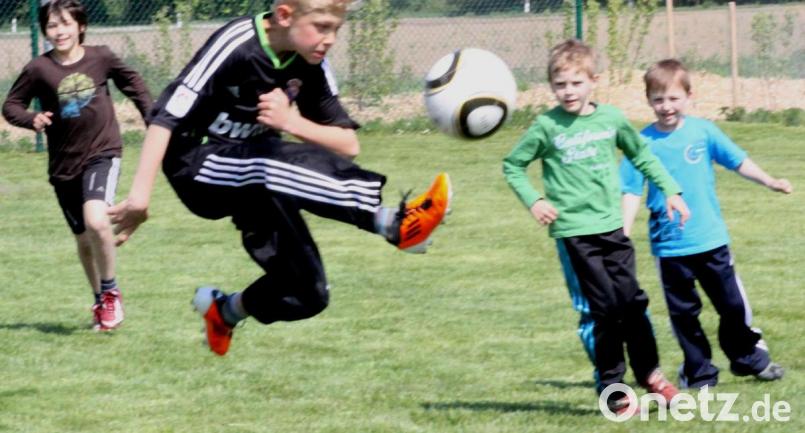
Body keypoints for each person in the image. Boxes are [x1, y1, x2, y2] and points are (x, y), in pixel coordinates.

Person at [108, 0, 451, 356]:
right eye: (321, 26)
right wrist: (139, 198)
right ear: (285, 15)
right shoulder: (237, 44)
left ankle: (224, 312)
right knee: (270, 158)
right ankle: (394, 223)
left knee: (308, 292)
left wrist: (291, 123)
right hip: (197, 166)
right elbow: (165, 117)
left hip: (257, 178)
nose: (329, 39)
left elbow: (348, 145)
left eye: (336, 29)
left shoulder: (311, 62)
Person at [502, 39, 690, 413]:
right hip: (575, 234)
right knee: (604, 310)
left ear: (593, 81)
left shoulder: (612, 119)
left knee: (633, 303)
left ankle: (651, 376)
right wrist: (535, 200)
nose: (568, 91)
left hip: (612, 229)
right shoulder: (546, 126)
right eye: (560, 84)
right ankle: (613, 390)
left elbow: (641, 155)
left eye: (575, 83)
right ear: (551, 86)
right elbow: (512, 165)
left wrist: (670, 189)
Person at [620, 59, 791, 389]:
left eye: (672, 98)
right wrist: (623, 233)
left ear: (688, 96)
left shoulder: (703, 132)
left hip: (710, 240)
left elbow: (737, 160)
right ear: (648, 100)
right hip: (670, 247)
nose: (666, 107)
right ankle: (698, 373)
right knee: (684, 316)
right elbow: (629, 190)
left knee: (732, 305)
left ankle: (749, 358)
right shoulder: (641, 143)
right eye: (658, 99)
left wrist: (769, 181)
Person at [2, 0, 152, 331]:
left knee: (96, 220)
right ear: (45, 31)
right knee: (84, 239)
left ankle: (111, 292)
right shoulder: (38, 69)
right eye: (53, 26)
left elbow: (134, 84)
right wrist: (32, 118)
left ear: (80, 26)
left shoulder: (101, 57)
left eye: (66, 24)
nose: (60, 31)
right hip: (63, 166)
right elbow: (11, 105)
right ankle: (100, 300)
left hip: (102, 153)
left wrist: (151, 117)